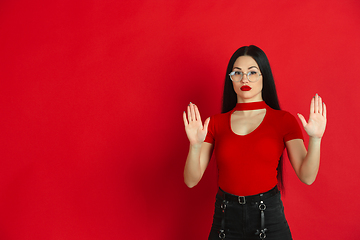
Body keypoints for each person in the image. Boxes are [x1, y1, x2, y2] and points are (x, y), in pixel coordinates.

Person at [182, 45, 327, 240]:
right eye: (237, 73)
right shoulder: (215, 123)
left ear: (263, 76)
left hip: (268, 218)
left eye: (252, 72)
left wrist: (316, 139)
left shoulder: (283, 120)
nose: (244, 79)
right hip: (225, 219)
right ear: (230, 78)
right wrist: (195, 145)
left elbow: (307, 176)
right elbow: (191, 181)